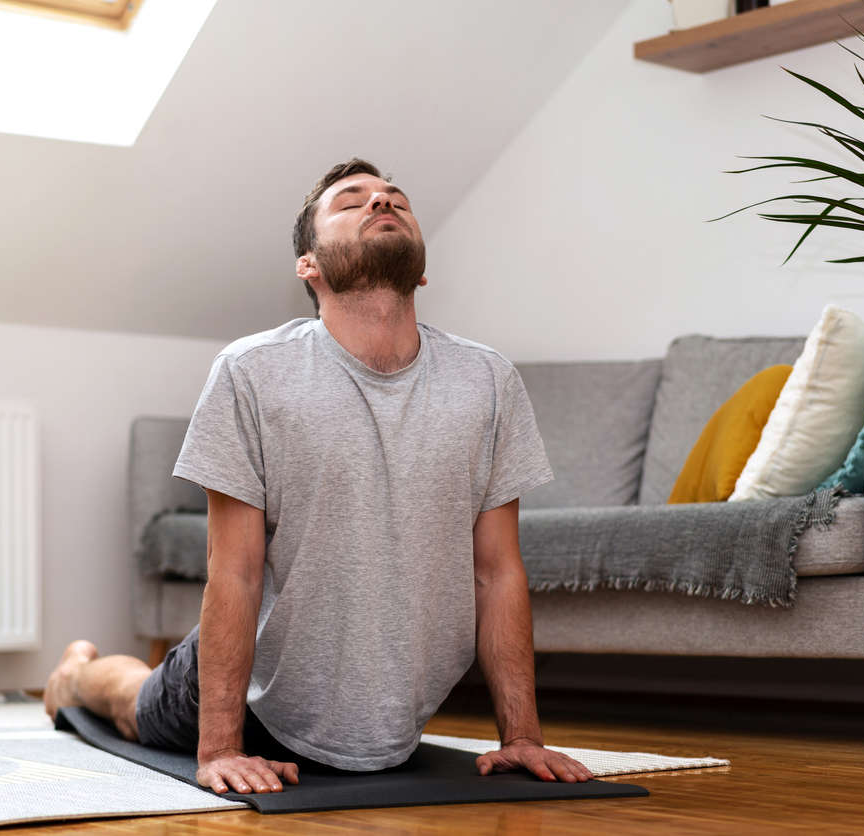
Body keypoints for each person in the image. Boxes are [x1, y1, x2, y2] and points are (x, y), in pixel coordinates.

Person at [43, 158, 594, 794]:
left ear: (421, 267)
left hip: (390, 718)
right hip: (253, 690)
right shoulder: (252, 371)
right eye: (352, 201)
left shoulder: (488, 382)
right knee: (135, 705)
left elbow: (497, 571)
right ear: (309, 264)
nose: (382, 203)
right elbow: (237, 570)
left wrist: (522, 737)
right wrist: (220, 747)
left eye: (396, 199)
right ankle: (75, 674)